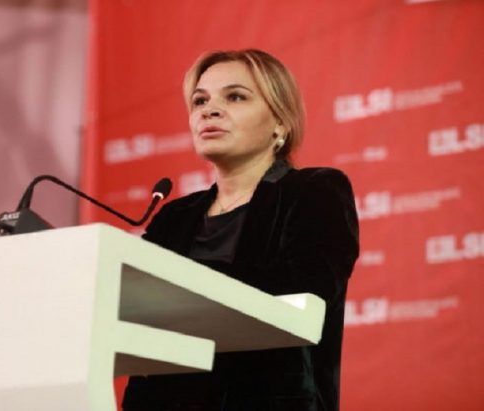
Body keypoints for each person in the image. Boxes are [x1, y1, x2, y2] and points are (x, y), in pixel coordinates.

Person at [122, 49, 360, 411]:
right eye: (200, 100)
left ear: (280, 122)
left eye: (235, 97)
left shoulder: (315, 191)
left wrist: (178, 284)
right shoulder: (174, 216)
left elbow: (305, 288)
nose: (209, 110)